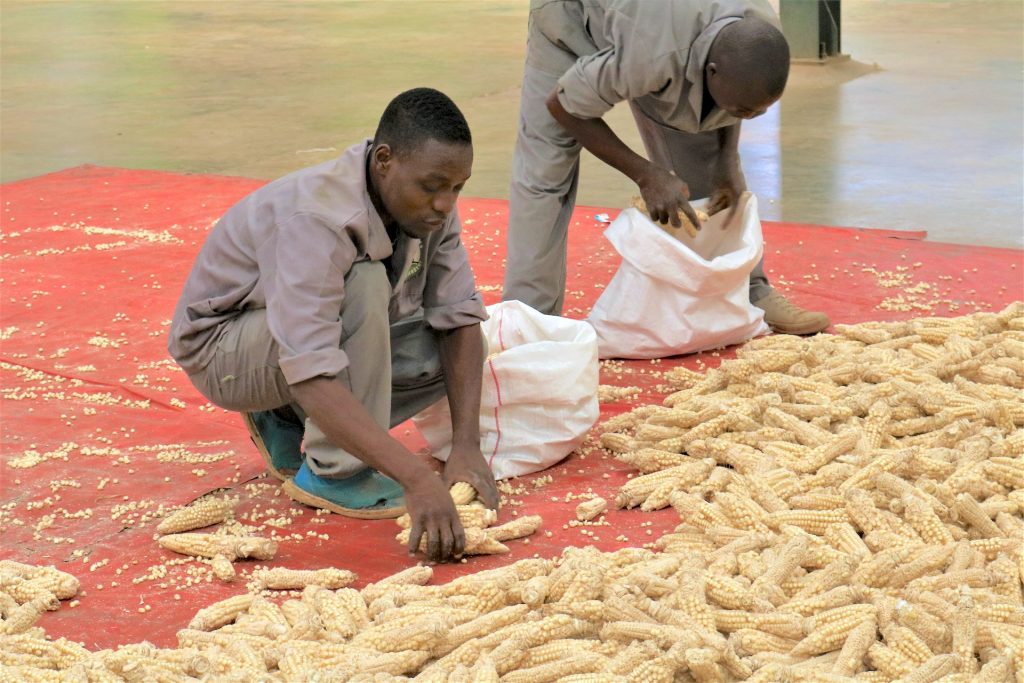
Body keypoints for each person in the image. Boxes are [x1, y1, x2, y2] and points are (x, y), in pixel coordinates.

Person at [167, 88, 499, 563]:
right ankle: (335, 473)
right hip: (226, 351)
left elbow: (460, 318)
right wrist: (417, 476)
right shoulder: (318, 218)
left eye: (458, 187)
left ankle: (285, 416)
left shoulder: (429, 205)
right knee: (362, 282)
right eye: (433, 186)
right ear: (384, 160)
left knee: (449, 352)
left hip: (294, 342)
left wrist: (467, 446)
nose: (446, 203)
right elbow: (311, 369)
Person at [502, 0, 831, 335]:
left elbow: (738, 96)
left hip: (660, 29)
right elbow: (563, 106)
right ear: (711, 70)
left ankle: (749, 291)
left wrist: (727, 158)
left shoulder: (758, 29)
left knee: (711, 175)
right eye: (743, 109)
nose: (748, 117)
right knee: (545, 173)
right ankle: (527, 321)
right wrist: (646, 174)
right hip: (572, 15)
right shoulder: (652, 56)